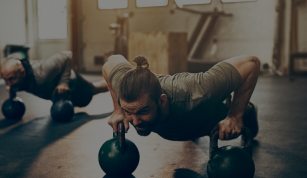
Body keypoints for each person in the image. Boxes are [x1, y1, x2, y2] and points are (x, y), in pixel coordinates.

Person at [102, 54, 260, 141]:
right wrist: (118, 110)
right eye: (129, 112)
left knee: (247, 125)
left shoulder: (199, 91)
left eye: (143, 111)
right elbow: (110, 62)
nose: (135, 122)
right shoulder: (126, 88)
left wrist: (235, 116)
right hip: (185, 120)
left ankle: (248, 110)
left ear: (162, 101)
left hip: (213, 116)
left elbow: (251, 63)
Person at [1, 51, 108, 107]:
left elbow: (67, 55)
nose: (8, 84)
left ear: (22, 72)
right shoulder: (17, 79)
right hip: (61, 97)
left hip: (74, 84)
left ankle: (118, 84)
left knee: (95, 88)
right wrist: (12, 94)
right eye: (5, 79)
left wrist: (63, 83)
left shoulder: (42, 73)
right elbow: (17, 83)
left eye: (10, 79)